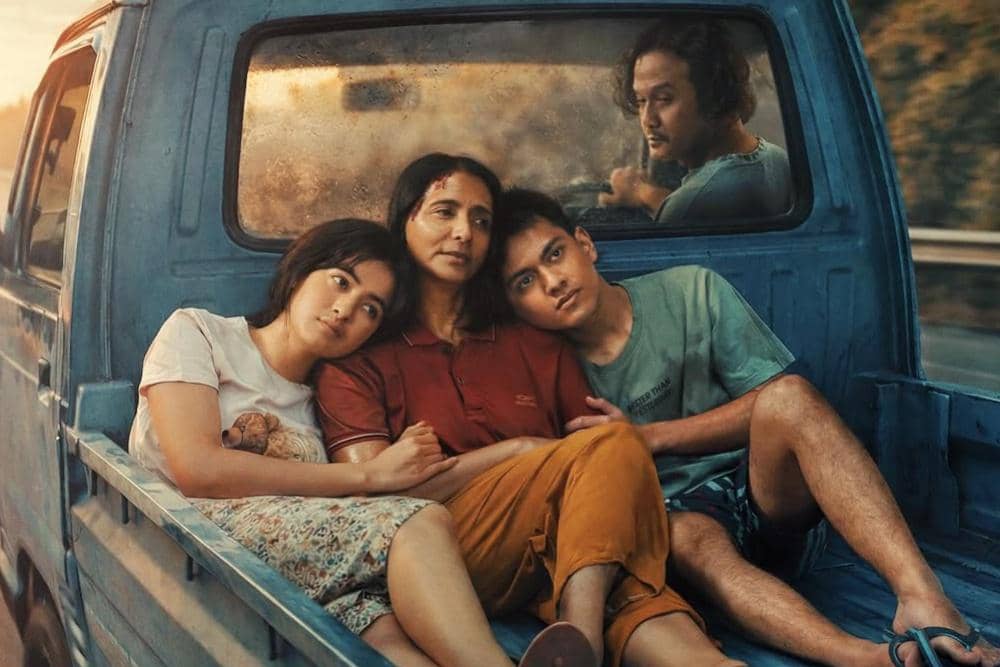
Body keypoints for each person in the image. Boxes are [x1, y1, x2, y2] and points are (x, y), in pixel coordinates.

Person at [493, 187, 1000, 667]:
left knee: (790, 397)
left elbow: (772, 399)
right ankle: (863, 657)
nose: (552, 282)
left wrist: (649, 437)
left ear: (584, 244)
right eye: (525, 282)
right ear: (514, 307)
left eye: (554, 254)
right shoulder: (541, 374)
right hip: (676, 533)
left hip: (766, 495)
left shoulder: (690, 290)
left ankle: (923, 599)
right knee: (684, 533)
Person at [314, 154, 742, 667]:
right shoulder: (359, 359)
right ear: (404, 220)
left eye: (480, 221)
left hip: (563, 551)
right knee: (611, 449)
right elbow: (375, 506)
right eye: (444, 212)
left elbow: (597, 470)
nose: (464, 233)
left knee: (632, 579)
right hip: (439, 559)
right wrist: (514, 451)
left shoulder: (532, 342)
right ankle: (580, 634)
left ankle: (588, 640)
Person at [129, 218, 551, 667]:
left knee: (384, 636)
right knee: (415, 521)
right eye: (341, 281)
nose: (346, 309)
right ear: (299, 271)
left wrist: (509, 451)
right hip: (197, 542)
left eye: (371, 309)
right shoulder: (199, 332)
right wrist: (369, 474)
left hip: (300, 563)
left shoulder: (330, 401)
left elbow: (349, 508)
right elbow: (198, 469)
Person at [599, 18, 792, 224]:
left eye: (664, 99)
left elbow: (693, 206)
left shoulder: (690, 205)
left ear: (713, 94)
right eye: (641, 101)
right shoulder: (777, 159)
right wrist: (644, 193)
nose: (647, 120)